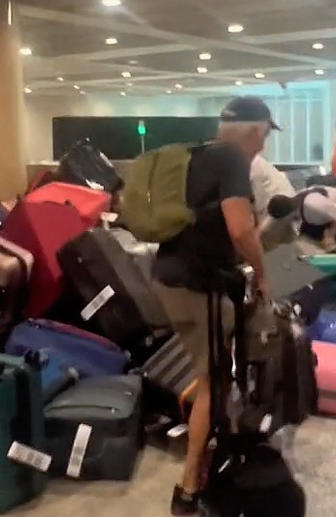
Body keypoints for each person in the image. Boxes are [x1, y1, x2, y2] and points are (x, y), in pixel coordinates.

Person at [150, 96, 276, 516]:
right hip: (197, 286)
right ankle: (189, 489)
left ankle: (207, 459)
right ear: (256, 132)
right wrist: (262, 272)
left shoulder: (196, 155)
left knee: (214, 373)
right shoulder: (232, 159)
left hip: (168, 279)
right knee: (213, 383)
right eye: (264, 138)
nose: (262, 147)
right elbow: (240, 229)